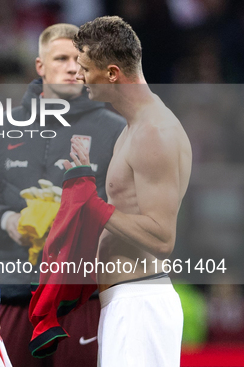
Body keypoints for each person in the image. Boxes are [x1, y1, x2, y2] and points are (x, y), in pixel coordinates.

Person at [0, 23, 125, 367]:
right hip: (16, 293)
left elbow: (126, 207)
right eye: (61, 58)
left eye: (79, 59)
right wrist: (8, 221)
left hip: (82, 297)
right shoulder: (1, 125)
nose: (72, 67)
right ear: (40, 66)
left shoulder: (116, 129)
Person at [70, 15, 192, 366]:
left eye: (84, 67)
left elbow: (161, 237)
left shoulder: (155, 132)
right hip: (124, 302)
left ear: (111, 73)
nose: (79, 76)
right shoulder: (135, 127)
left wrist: (91, 204)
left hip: (140, 302)